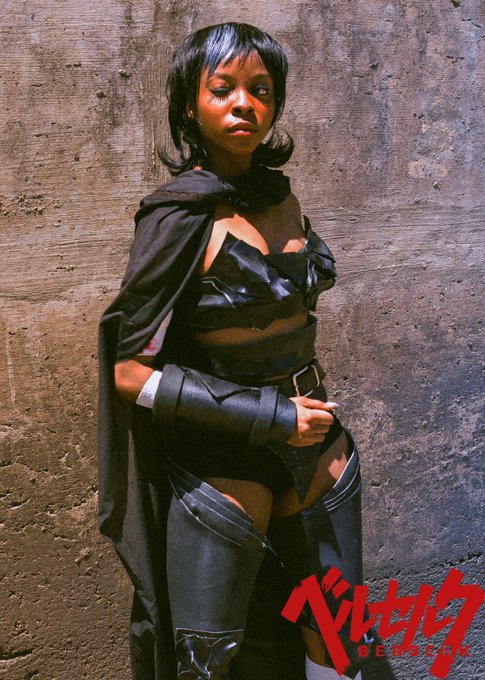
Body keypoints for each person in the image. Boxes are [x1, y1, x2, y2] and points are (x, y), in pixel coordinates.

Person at [98, 22, 367, 680]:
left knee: (337, 635)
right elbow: (130, 373)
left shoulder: (281, 196)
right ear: (190, 105)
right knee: (206, 656)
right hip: (224, 464)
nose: (244, 103)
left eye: (261, 90)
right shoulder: (176, 217)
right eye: (222, 89)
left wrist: (299, 420)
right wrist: (272, 417)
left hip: (318, 455)